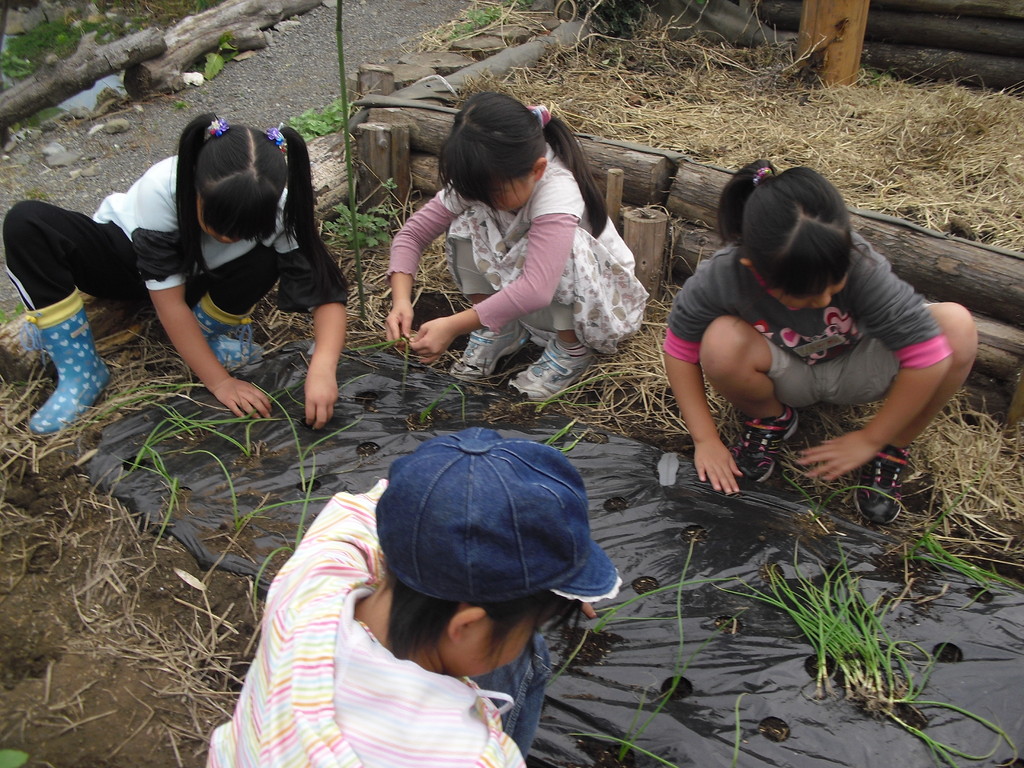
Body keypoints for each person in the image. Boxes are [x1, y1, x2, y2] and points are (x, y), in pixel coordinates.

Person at [207, 427, 621, 767]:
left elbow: (366, 507)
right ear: (467, 624)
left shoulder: (311, 585)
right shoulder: (473, 757)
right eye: (530, 621)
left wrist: (456, 490)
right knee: (532, 654)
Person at [663, 160, 977, 524]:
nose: (826, 300)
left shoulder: (860, 263)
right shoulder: (723, 274)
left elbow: (930, 356)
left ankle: (893, 448)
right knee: (719, 340)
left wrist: (874, 436)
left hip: (862, 367)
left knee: (957, 326)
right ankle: (771, 418)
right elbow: (679, 349)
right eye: (806, 295)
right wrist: (705, 440)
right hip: (790, 373)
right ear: (754, 268)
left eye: (836, 283)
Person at [3, 113, 348, 434]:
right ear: (195, 187)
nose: (227, 238)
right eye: (217, 224)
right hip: (124, 262)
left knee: (269, 257)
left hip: (201, 277)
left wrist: (322, 368)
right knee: (27, 221)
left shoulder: (281, 206)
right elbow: (169, 303)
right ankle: (81, 371)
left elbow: (325, 291)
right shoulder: (163, 186)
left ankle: (205, 335)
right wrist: (220, 383)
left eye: (242, 231)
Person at [385, 91, 648, 401]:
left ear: (536, 171)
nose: (485, 199)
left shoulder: (557, 188)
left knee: (567, 248)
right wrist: (401, 301)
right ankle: (500, 328)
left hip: (597, 305)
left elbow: (537, 288)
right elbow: (412, 236)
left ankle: (571, 349)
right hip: (531, 298)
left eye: (493, 194)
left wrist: (455, 325)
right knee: (467, 221)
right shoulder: (486, 180)